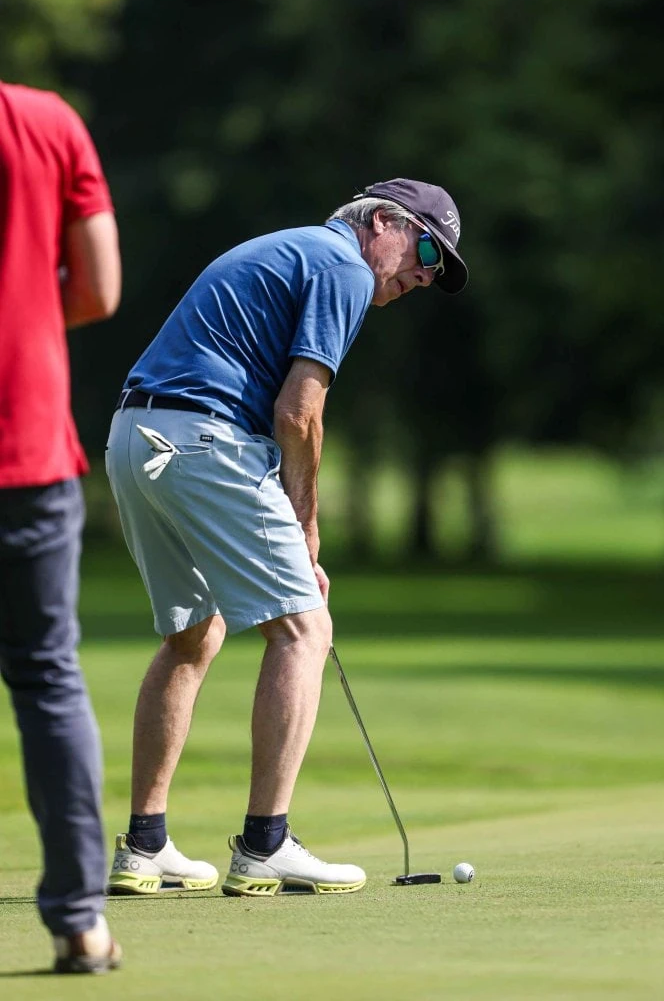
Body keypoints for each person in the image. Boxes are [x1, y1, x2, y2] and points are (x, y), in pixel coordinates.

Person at [104, 178, 468, 897]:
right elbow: (299, 413)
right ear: (383, 222)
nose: (424, 275)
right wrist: (306, 527)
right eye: (427, 251)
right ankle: (265, 844)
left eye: (436, 271)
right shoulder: (343, 267)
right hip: (204, 440)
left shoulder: (295, 251)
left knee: (192, 636)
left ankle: (145, 847)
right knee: (305, 629)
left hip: (133, 437)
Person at [0, 83, 122, 972]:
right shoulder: (48, 124)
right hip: (30, 447)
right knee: (47, 679)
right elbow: (100, 289)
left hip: (36, 450)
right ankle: (80, 921)